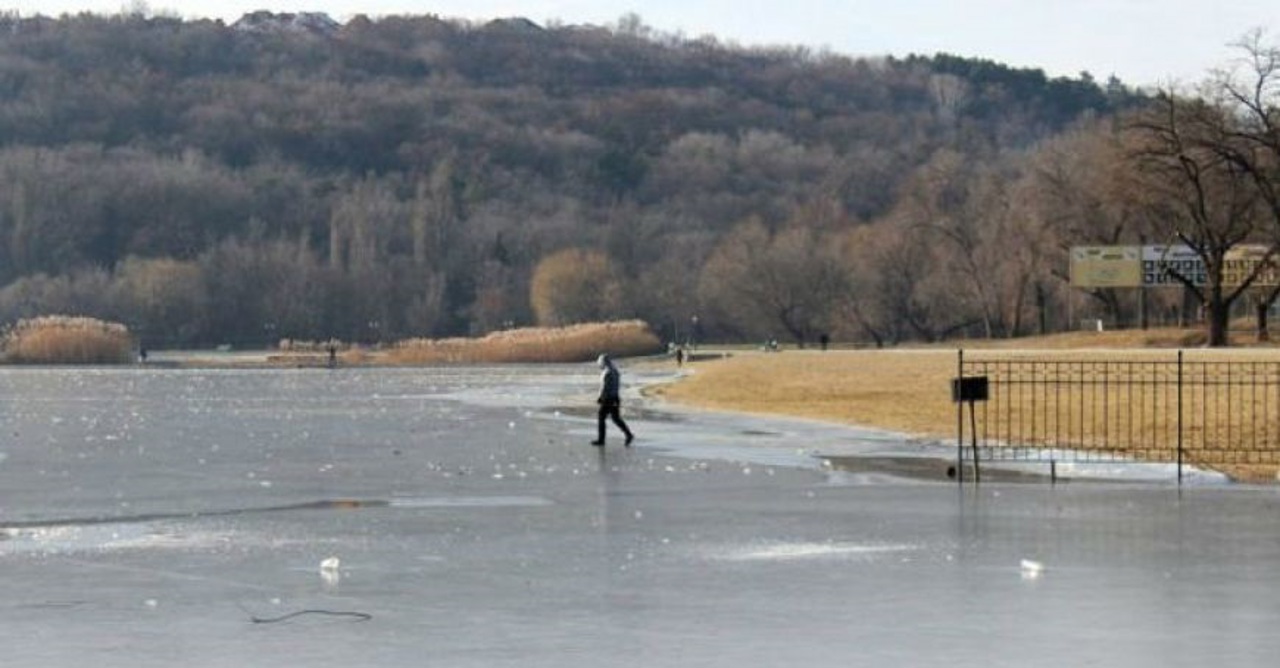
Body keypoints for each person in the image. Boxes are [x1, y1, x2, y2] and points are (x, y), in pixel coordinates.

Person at [592, 353, 634, 447]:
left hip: (608, 399)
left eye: (600, 363)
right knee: (616, 418)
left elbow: (604, 387)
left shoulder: (606, 373)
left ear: (602, 362)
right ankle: (628, 434)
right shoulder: (615, 371)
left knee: (601, 417)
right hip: (615, 397)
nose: (599, 365)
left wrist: (600, 397)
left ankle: (601, 440)